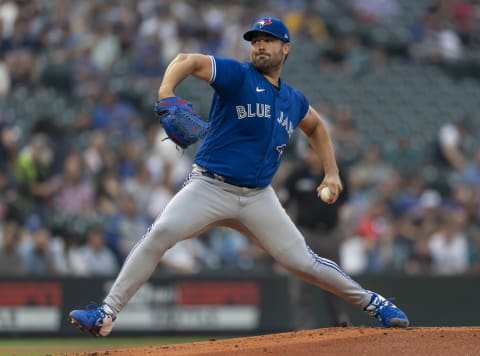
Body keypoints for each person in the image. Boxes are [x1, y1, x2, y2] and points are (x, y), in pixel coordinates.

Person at [68, 17, 409, 337]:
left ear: (285, 48)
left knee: (303, 262)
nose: (260, 46)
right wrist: (166, 92)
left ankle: (374, 303)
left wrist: (331, 173)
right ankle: (106, 312)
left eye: (268, 41)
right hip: (209, 186)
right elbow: (187, 59)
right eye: (255, 41)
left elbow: (317, 127)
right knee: (161, 232)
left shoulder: (293, 99)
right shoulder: (237, 75)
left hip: (259, 197)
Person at [284, 142, 351, 328]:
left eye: (316, 151)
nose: (313, 155)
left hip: (331, 233)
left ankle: (341, 324)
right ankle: (303, 329)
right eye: (310, 151)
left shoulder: (336, 174)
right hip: (306, 234)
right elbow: (284, 203)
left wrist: (343, 226)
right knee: (301, 284)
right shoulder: (297, 175)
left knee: (336, 282)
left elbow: (346, 203)